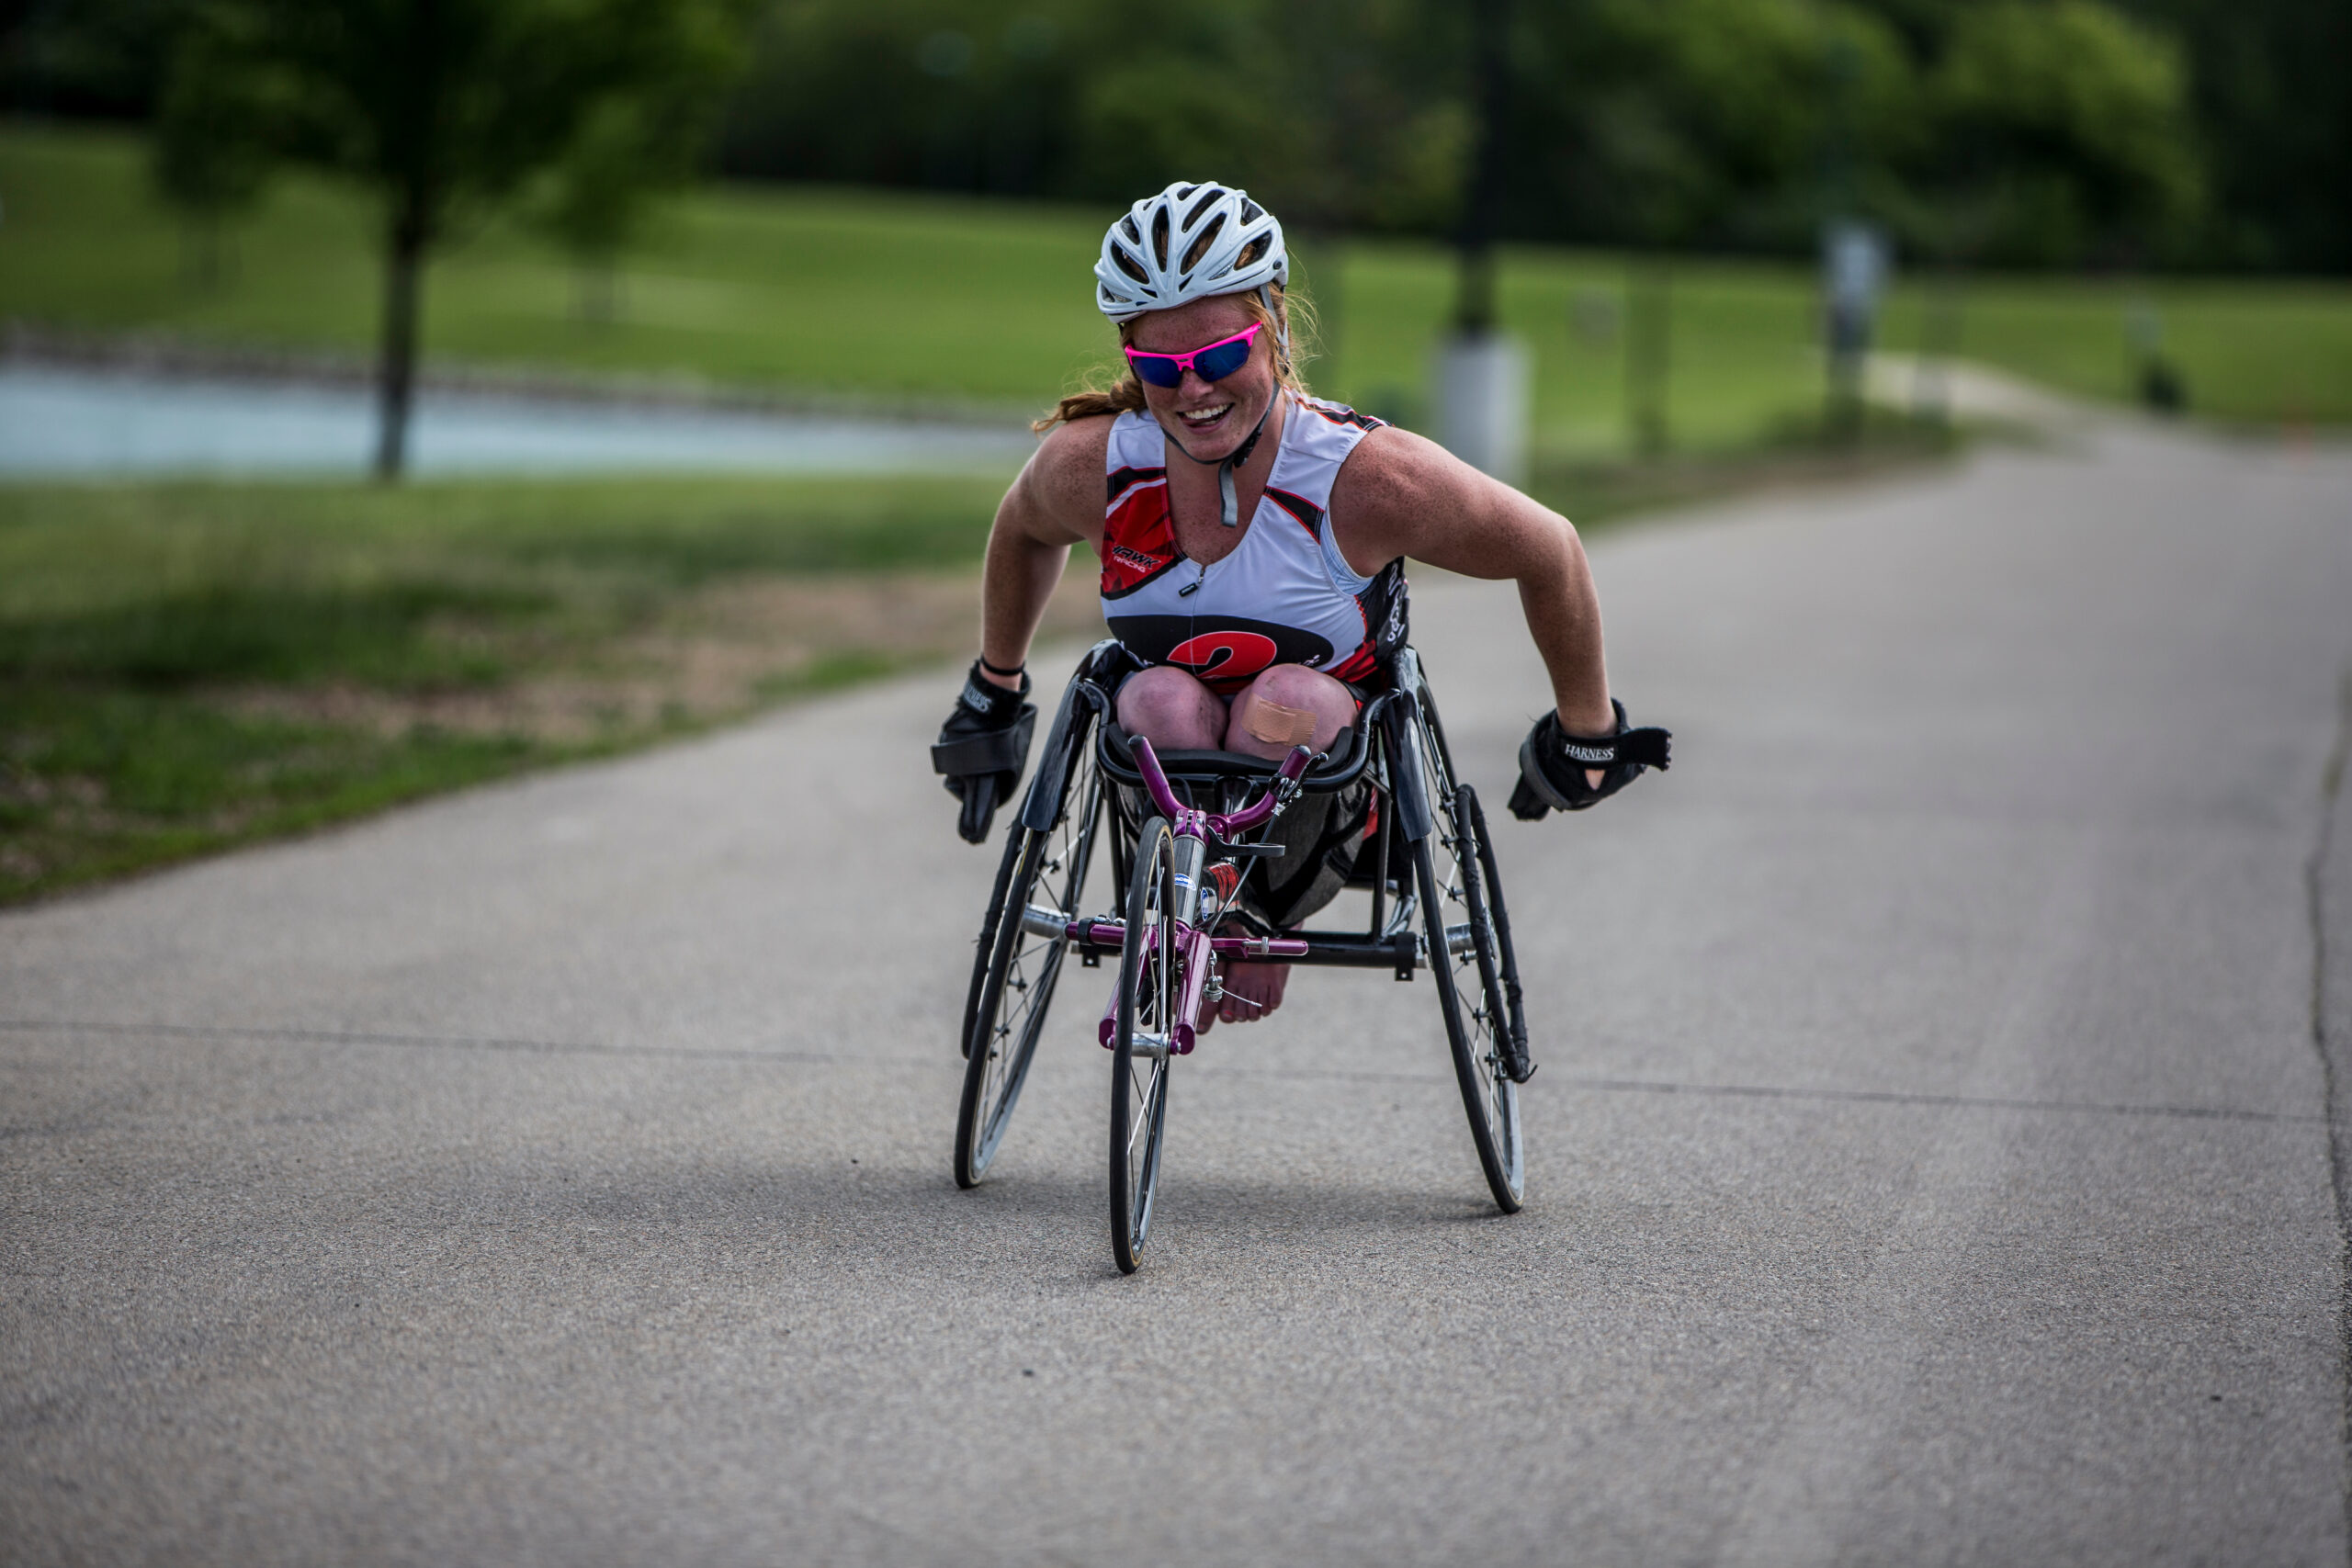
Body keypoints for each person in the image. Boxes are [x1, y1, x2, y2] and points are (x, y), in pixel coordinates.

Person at [935, 180, 1667, 1025]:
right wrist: (993, 689)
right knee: (1156, 694)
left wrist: (1587, 731)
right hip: (1166, 772)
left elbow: (1550, 548)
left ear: (1275, 327)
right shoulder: (1094, 467)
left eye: (1217, 357)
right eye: (1159, 369)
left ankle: (1252, 917)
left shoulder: (1368, 479)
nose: (1192, 392)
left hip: (1320, 785)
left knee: (1288, 697)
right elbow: (1023, 531)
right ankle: (1195, 916)